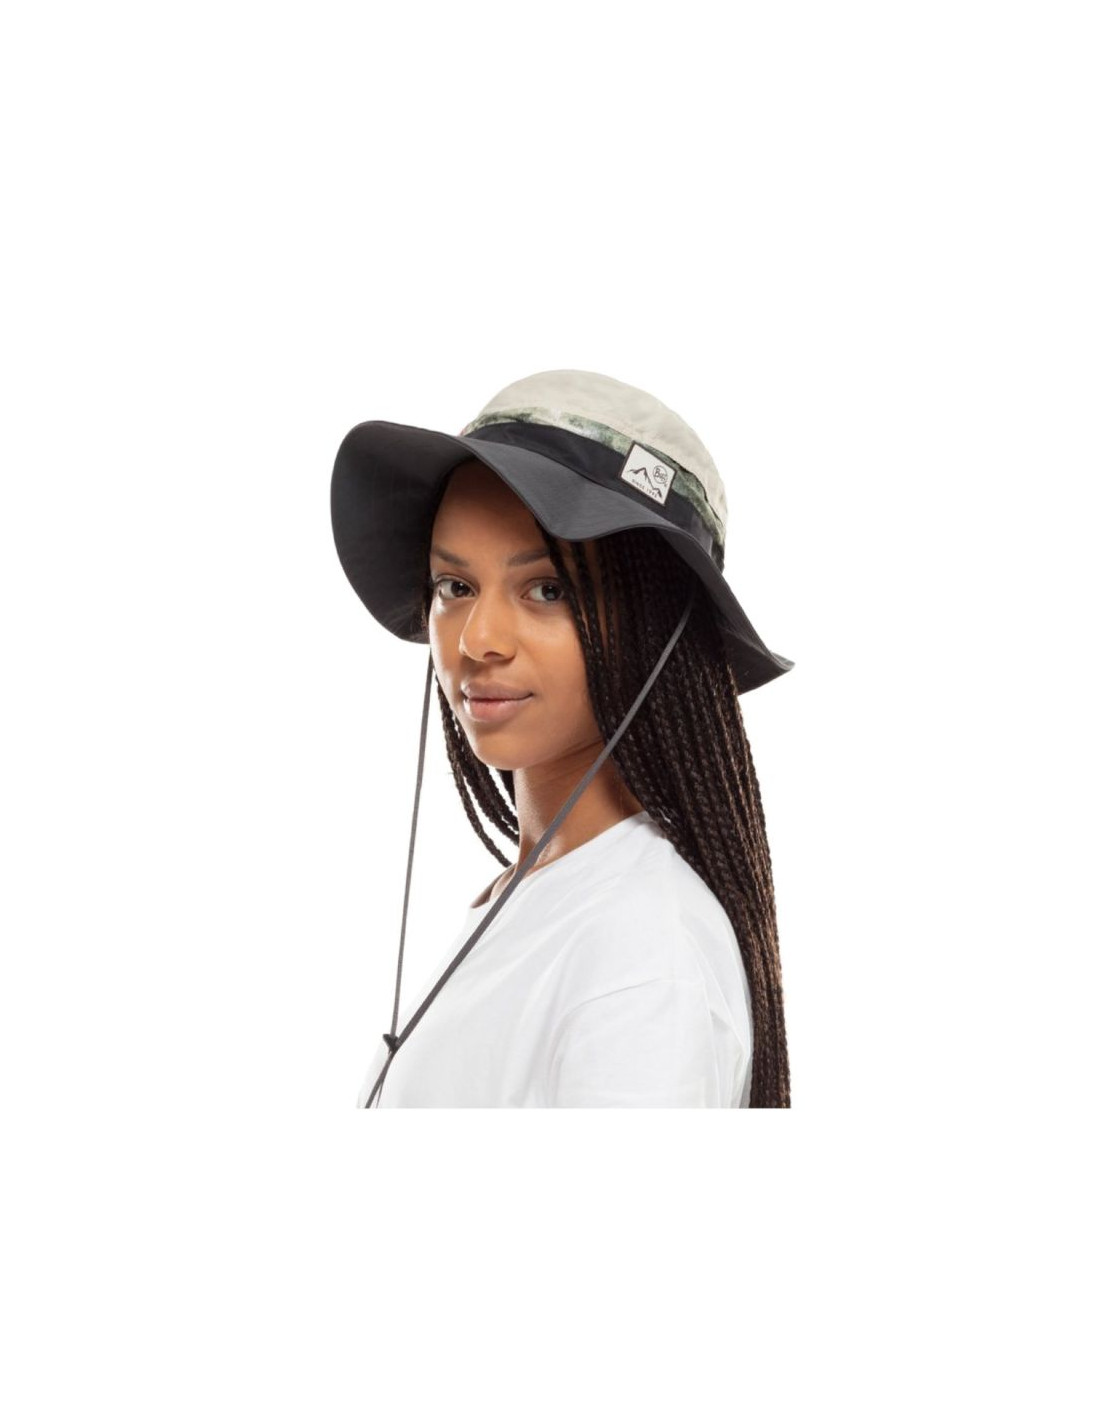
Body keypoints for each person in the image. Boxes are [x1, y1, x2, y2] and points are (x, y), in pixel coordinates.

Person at [330, 369, 794, 1107]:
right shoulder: (546, 898)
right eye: (455, 587)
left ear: (655, 628)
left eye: (548, 590)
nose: (477, 640)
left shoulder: (641, 960)